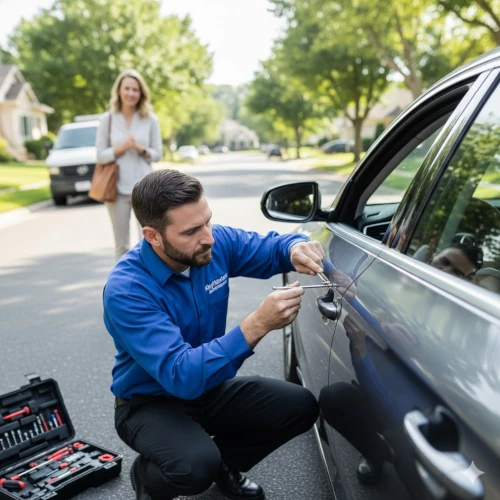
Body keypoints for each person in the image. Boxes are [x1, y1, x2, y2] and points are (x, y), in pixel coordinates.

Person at [103, 169, 323, 500]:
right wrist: (257, 324)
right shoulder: (127, 290)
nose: (208, 237)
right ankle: (150, 476)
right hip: (149, 402)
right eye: (192, 231)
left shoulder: (212, 242)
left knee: (300, 406)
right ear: (153, 236)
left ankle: (222, 464)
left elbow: (274, 247)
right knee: (193, 467)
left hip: (208, 387)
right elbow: (181, 375)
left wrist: (295, 248)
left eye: (207, 221)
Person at [96, 69, 162, 261]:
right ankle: (124, 289)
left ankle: (151, 286)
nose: (131, 93)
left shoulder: (150, 119)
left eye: (135, 89)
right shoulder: (107, 120)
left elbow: (158, 154)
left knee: (150, 243)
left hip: (145, 190)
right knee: (122, 246)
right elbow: (100, 156)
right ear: (119, 91)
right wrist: (122, 148)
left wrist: (140, 149)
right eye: (127, 88)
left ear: (141, 93)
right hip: (116, 190)